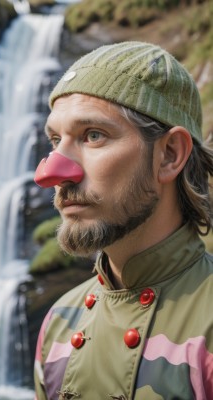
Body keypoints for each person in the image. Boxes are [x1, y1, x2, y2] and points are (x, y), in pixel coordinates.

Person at [34, 41, 213, 400]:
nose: (53, 173)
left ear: (169, 155)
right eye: (55, 139)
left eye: (93, 135)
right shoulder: (57, 322)